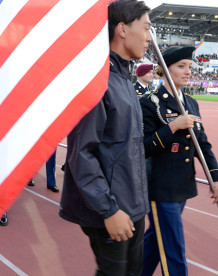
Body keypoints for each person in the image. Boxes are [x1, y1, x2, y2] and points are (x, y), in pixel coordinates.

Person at [59, 0, 151, 275]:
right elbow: (81, 154)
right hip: (111, 212)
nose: (149, 38)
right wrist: (109, 210)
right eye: (146, 28)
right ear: (122, 29)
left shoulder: (124, 79)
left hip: (132, 208)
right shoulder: (97, 82)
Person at [139, 46, 218, 276]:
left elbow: (202, 144)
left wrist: (216, 178)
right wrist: (173, 126)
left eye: (189, 66)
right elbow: (143, 148)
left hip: (182, 186)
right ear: (164, 70)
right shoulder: (150, 102)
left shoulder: (190, 102)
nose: (188, 71)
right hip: (160, 188)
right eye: (181, 66)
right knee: (174, 249)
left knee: (156, 241)